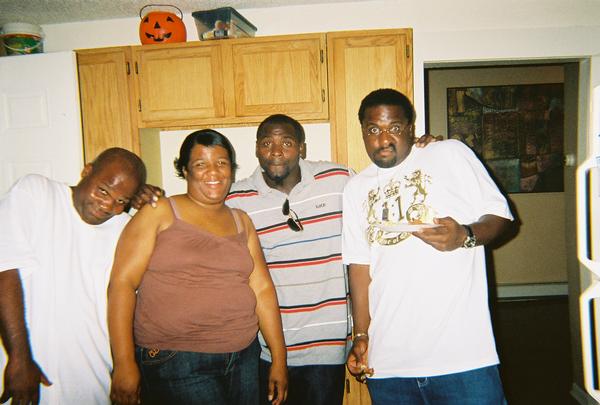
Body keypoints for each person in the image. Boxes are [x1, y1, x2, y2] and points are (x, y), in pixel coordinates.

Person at [226, 113, 441, 405]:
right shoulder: (236, 198)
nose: (276, 151)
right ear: (256, 149)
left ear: (302, 148)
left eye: (287, 143)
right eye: (266, 143)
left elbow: (386, 181)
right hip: (267, 348)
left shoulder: (338, 179)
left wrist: (422, 154)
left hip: (327, 347)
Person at [343, 88, 513, 404]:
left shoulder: (449, 154)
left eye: (394, 128)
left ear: (410, 128)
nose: (383, 139)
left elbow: (500, 215)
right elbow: (359, 267)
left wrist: (465, 235)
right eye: (373, 130)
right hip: (388, 363)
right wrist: (362, 335)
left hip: (462, 358)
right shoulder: (355, 189)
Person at [108, 129, 288, 405]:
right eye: (201, 164)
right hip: (177, 359)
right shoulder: (159, 212)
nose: (213, 172)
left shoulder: (242, 221)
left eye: (221, 163)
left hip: (243, 355)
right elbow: (122, 284)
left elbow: (262, 289)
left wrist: (279, 358)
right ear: (185, 170)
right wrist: (123, 362)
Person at [0, 147, 152, 405]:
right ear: (87, 171)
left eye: (121, 201)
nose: (108, 205)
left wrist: (151, 209)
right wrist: (19, 357)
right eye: (103, 190)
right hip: (28, 370)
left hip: (93, 377)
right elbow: (5, 268)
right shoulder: (37, 193)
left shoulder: (124, 228)